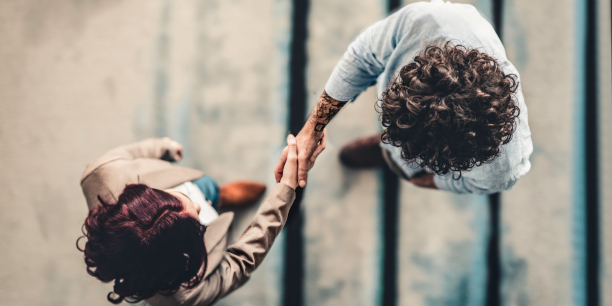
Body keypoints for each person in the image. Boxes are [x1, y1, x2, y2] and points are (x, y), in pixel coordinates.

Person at [276, 0, 533, 194]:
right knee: (399, 149)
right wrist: (311, 130)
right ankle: (387, 152)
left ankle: (390, 156)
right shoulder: (428, 21)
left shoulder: (502, 171)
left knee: (403, 164)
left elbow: (476, 183)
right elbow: (362, 57)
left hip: (437, 160)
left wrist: (429, 180)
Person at [78, 134, 325, 305]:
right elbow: (240, 262)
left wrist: (163, 147)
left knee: (206, 188)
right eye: (196, 223)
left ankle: (221, 195)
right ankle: (220, 198)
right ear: (177, 260)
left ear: (147, 194)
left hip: (189, 184)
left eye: (178, 198)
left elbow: (127, 154)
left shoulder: (100, 173)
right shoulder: (186, 297)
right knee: (207, 198)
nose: (198, 205)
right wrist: (286, 189)